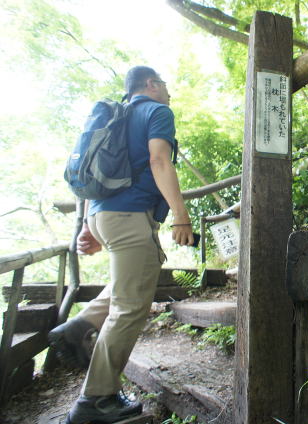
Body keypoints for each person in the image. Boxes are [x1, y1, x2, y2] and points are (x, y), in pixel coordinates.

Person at [48, 66, 194, 424]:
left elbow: (90, 175)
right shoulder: (156, 112)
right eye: (165, 85)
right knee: (130, 308)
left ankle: (79, 326)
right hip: (129, 216)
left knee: (128, 285)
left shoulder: (115, 118)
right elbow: (159, 160)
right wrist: (181, 215)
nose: (170, 93)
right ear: (151, 84)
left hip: (102, 215)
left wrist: (89, 225)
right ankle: (96, 399)